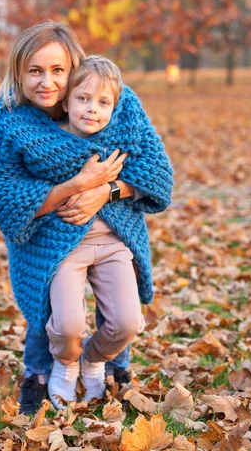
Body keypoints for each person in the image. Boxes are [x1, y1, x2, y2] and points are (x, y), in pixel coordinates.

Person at [0, 21, 173, 413]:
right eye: (34, 70)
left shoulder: (111, 98)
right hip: (47, 231)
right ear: (18, 71)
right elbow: (6, 199)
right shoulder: (2, 116)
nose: (47, 82)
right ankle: (39, 372)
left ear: (74, 68)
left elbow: (157, 171)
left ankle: (112, 366)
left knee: (122, 310)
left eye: (58, 70)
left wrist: (107, 190)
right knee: (54, 310)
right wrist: (79, 183)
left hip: (115, 227)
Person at [45, 55, 146, 408]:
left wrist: (110, 187)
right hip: (65, 246)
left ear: (115, 107)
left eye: (103, 102)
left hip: (112, 244)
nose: (92, 109)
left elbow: (156, 178)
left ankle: (93, 358)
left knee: (128, 321)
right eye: (83, 99)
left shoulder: (122, 140)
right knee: (68, 326)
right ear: (67, 100)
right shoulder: (45, 143)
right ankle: (66, 361)